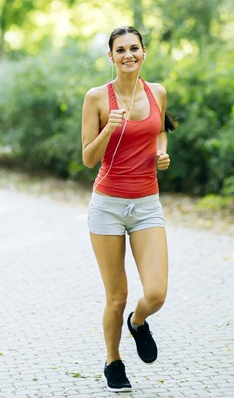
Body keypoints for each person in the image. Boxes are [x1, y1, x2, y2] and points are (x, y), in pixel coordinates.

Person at [81, 26, 173, 393]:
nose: (128, 54)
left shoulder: (157, 92)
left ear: (144, 52)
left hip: (147, 205)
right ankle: (113, 361)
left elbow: (160, 129)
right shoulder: (97, 98)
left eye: (134, 48)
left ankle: (139, 322)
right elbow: (88, 158)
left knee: (157, 294)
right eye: (121, 50)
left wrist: (162, 152)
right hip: (107, 207)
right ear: (111, 57)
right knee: (115, 296)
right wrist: (108, 130)